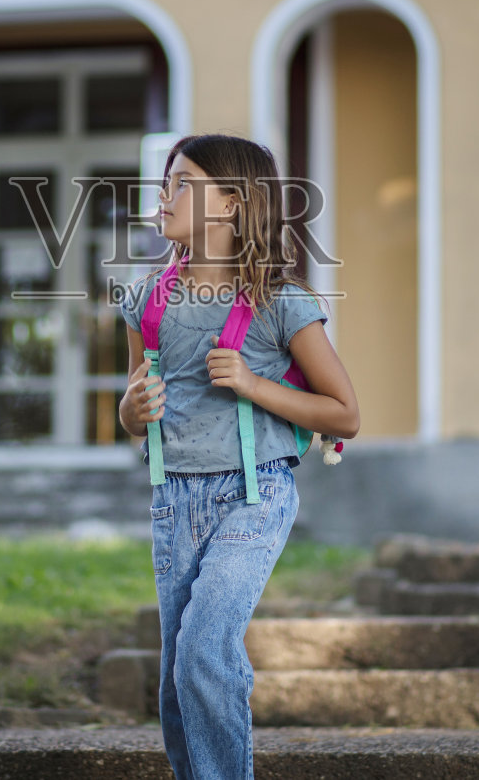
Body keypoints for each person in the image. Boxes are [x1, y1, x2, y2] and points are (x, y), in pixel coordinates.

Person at [116, 132, 360, 780]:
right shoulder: (148, 301)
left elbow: (345, 413)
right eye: (166, 183)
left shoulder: (282, 302)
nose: (164, 197)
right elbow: (131, 411)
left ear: (230, 204)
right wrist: (131, 411)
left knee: (203, 648)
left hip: (254, 496)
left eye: (183, 184)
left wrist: (253, 384)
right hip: (174, 502)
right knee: (177, 675)